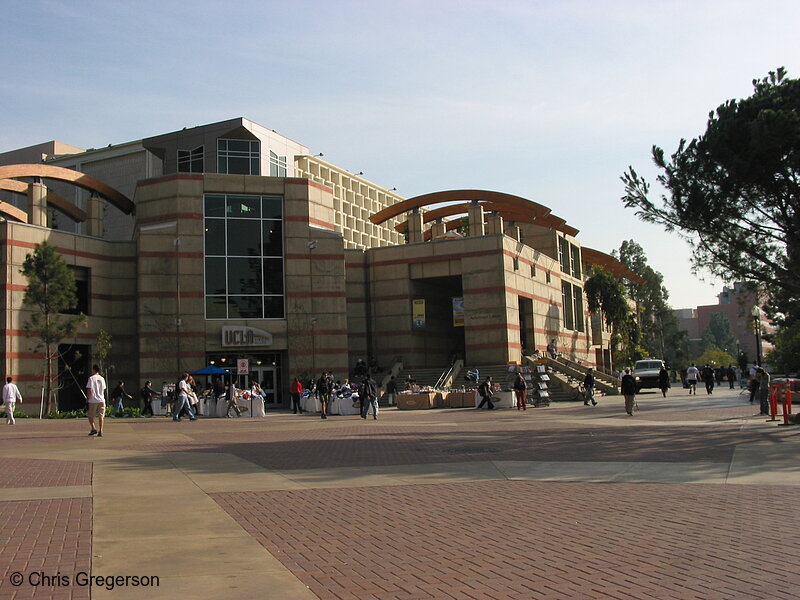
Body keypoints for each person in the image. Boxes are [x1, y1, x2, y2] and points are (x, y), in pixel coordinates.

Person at [86, 365, 107, 437]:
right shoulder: (102, 379)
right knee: (101, 416)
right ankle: (101, 430)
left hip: (93, 400)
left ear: (94, 370)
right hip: (101, 399)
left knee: (90, 415)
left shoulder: (91, 378)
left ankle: (93, 428)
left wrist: (88, 398)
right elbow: (104, 389)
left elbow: (90, 389)